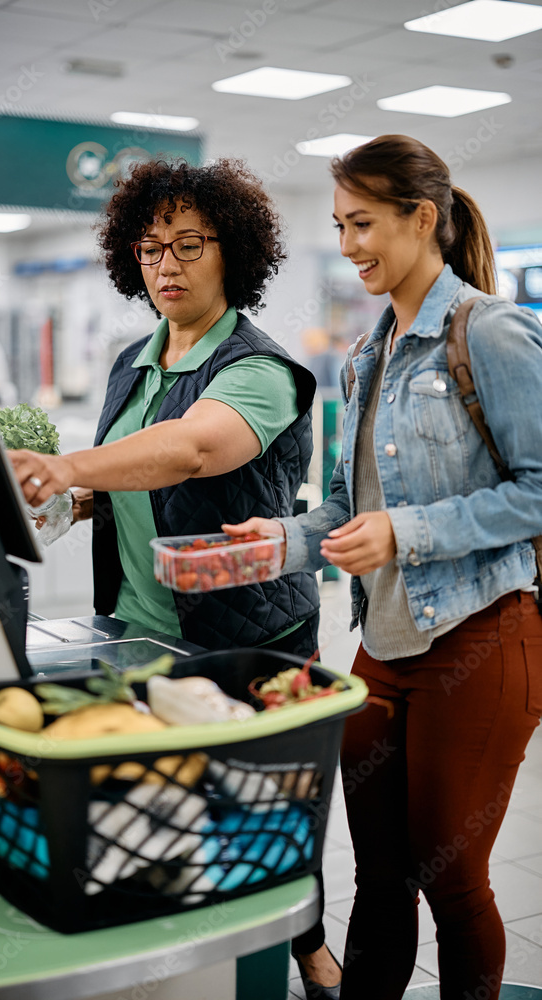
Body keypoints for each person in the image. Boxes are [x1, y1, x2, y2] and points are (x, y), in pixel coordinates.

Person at [9, 158, 342, 996]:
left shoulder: (260, 367)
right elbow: (131, 477)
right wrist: (79, 499)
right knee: (165, 814)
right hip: (137, 627)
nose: (167, 264)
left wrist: (68, 462)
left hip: (244, 635)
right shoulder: (133, 359)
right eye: (150, 247)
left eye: (189, 244)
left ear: (233, 253)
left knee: (260, 815)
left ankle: (304, 950)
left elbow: (196, 449)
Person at [224, 134, 542, 999]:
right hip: (383, 648)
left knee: (452, 877)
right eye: (338, 225)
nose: (348, 244)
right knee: (377, 875)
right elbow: (342, 504)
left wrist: (406, 532)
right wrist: (274, 542)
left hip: (479, 639)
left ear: (422, 219)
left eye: (362, 223)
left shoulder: (492, 333)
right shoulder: (369, 353)